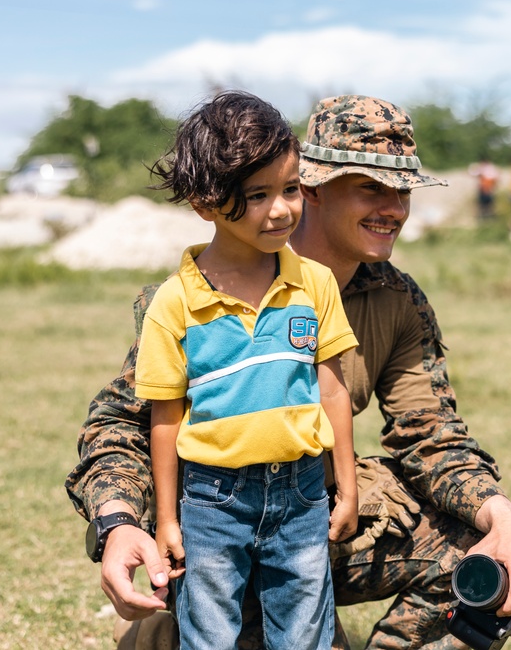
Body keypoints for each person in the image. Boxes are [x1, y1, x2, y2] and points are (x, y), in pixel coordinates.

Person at [66, 94, 511, 650]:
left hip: (310, 519)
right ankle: (161, 633)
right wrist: (118, 522)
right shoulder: (194, 297)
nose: (394, 207)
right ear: (313, 186)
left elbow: (431, 433)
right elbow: (118, 427)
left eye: (403, 190)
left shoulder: (396, 300)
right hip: (215, 532)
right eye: (371, 187)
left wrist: (504, 517)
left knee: (489, 559)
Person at [137, 90, 358, 649]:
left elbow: (332, 390)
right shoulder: (173, 303)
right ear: (205, 201)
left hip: (304, 493)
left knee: (305, 632)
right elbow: (166, 416)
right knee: (209, 633)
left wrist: (347, 483)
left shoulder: (315, 283)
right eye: (258, 195)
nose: (281, 209)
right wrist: (167, 518)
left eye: (289, 189)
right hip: (212, 500)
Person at [468, 157, 500, 221]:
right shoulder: (491, 168)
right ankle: (487, 217)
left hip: (486, 188)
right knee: (487, 204)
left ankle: (485, 217)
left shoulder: (484, 168)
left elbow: (473, 174)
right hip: (486, 188)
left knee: (485, 204)